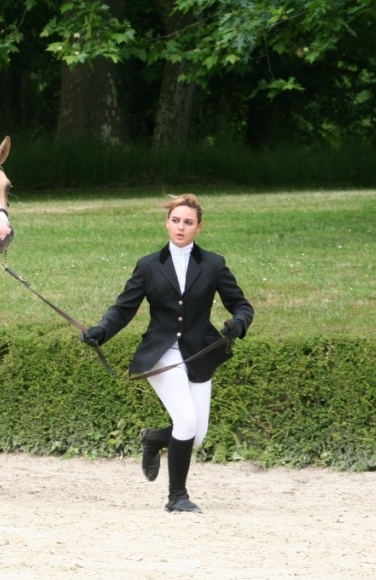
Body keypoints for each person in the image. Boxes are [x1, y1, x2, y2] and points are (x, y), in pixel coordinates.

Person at [81, 194, 253, 513]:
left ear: (198, 228)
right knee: (186, 421)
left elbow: (242, 305)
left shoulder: (214, 264)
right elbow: (123, 308)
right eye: (175, 221)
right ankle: (177, 497)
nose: (180, 227)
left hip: (199, 354)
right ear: (167, 223)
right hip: (162, 353)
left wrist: (238, 324)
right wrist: (101, 331)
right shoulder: (148, 266)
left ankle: (155, 439)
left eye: (188, 222)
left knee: (195, 435)